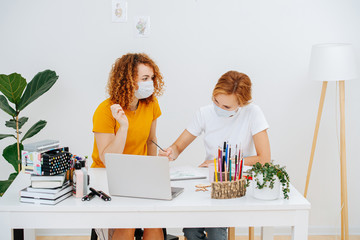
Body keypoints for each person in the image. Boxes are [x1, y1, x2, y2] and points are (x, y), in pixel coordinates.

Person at [159, 71, 271, 240]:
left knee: (215, 230)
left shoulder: (253, 113)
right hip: (210, 181)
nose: (219, 108)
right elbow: (178, 146)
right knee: (190, 231)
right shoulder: (204, 113)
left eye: (226, 107)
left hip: (236, 182)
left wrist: (220, 162)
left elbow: (264, 159)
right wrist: (170, 152)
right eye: (216, 101)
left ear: (241, 103)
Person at [91, 53, 165, 240]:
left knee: (154, 224)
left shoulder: (151, 104)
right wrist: (123, 126)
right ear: (128, 80)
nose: (151, 83)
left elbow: (150, 140)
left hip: (138, 176)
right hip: (107, 177)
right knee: (128, 223)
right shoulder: (105, 110)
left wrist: (153, 169)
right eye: (145, 78)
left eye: (152, 78)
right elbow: (108, 159)